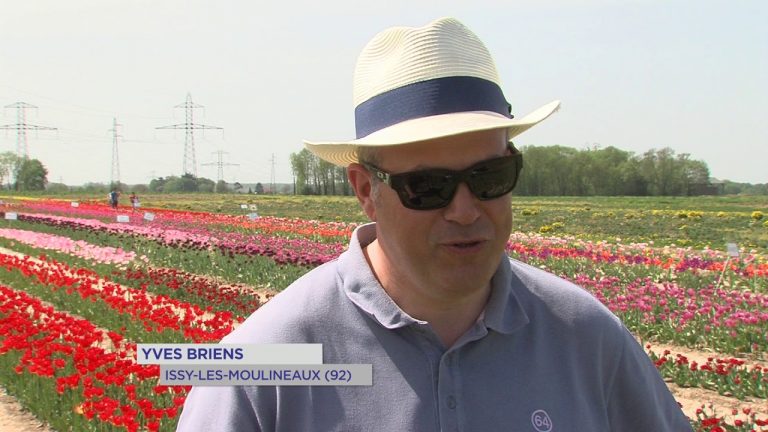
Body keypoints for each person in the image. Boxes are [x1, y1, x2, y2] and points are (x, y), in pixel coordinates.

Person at [177, 17, 692, 431]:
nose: (465, 210)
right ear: (365, 191)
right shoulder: (266, 362)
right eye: (428, 187)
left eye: (490, 176)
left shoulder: (585, 337)